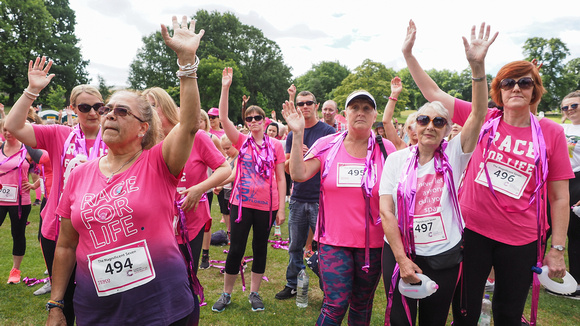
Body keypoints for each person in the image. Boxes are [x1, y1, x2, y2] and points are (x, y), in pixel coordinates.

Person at [402, 20, 573, 325]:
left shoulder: (551, 133)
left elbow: (560, 197)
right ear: (498, 90)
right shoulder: (483, 117)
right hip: (472, 232)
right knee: (465, 313)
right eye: (508, 83)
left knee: (508, 314)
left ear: (534, 90)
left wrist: (557, 247)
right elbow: (432, 91)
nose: (516, 88)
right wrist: (409, 55)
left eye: (524, 82)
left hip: (520, 239)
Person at [44, 15, 205, 325]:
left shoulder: (158, 162)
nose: (108, 116)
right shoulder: (78, 175)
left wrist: (187, 64)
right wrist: (56, 304)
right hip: (98, 311)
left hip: (162, 307)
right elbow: (65, 245)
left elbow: (187, 126)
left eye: (121, 111)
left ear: (142, 128)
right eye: (107, 110)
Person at [379, 23, 494, 325]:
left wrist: (477, 68)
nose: (430, 125)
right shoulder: (397, 160)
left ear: (446, 129)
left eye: (439, 122)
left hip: (443, 255)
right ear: (414, 126)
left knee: (434, 320)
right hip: (401, 251)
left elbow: (479, 113)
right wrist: (402, 259)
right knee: (400, 321)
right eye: (423, 119)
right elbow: (386, 212)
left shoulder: (455, 155)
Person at [6, 59, 108, 325]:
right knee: (65, 299)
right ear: (73, 109)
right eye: (84, 107)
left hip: (102, 228)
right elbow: (14, 126)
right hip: (59, 227)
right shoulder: (59, 134)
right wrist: (31, 90)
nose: (93, 113)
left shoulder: (115, 136)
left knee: (102, 298)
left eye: (98, 107)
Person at [283, 89, 396, 325]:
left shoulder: (386, 149)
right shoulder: (328, 144)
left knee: (362, 305)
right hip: (333, 242)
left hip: (372, 246)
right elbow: (298, 173)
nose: (361, 113)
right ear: (345, 114)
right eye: (355, 108)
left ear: (375, 115)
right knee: (335, 304)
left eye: (367, 108)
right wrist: (297, 134)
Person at [212, 67, 286, 313]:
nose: (253, 121)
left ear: (265, 121)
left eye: (257, 118)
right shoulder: (241, 141)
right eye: (249, 119)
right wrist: (225, 87)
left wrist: (281, 208)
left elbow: (280, 178)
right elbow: (223, 118)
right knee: (236, 249)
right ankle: (226, 294)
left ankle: (254, 293)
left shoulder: (275, 146)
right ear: (246, 122)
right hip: (241, 205)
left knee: (260, 249)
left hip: (266, 206)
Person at [142, 87, 230, 274]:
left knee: (187, 277)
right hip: (156, 222)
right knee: (159, 279)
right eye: (144, 108)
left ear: (165, 107)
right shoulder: (144, 143)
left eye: (152, 106)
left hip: (189, 219)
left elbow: (225, 168)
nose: (147, 112)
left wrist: (200, 188)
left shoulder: (196, 136)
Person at [275, 86, 335, 301]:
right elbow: (288, 169)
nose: (304, 107)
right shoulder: (292, 134)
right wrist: (296, 158)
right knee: (295, 246)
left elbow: (332, 165)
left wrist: (310, 155)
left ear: (316, 105)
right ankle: (292, 284)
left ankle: (329, 290)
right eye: (300, 103)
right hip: (299, 198)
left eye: (309, 103)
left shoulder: (328, 132)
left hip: (321, 199)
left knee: (326, 249)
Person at [0, 120, 43, 284]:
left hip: (20, 201)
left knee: (17, 234)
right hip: (1, 199)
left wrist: (34, 185)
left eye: (11, 130)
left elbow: (46, 168)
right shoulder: (0, 147)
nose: (8, 133)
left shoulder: (28, 149)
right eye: (5, 130)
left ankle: (15, 271)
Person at [552, 90, 580, 299]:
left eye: (574, 106)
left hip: (578, 182)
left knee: (576, 235)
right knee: (547, 229)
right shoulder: (561, 127)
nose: (569, 110)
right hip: (559, 180)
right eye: (565, 107)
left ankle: (577, 284)